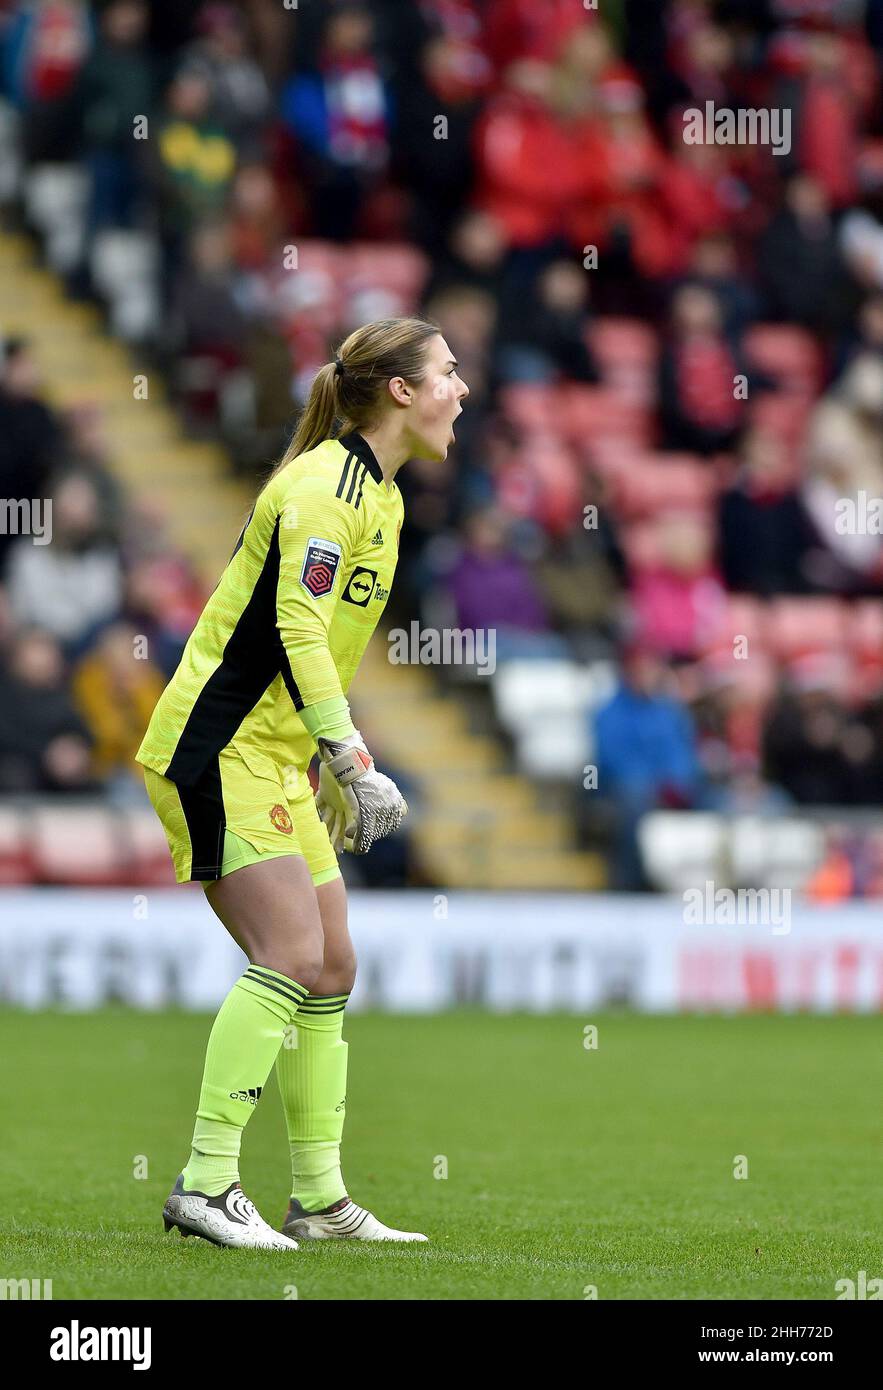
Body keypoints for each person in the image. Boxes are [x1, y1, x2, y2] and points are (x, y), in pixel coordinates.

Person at [136, 317, 468, 1249]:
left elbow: (329, 645)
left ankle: (318, 1200)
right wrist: (351, 757)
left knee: (331, 965)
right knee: (288, 952)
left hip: (272, 754)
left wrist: (321, 758)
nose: (462, 388)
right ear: (400, 391)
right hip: (215, 747)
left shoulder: (384, 500)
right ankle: (205, 1184)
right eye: (448, 371)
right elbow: (294, 630)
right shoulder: (324, 488)